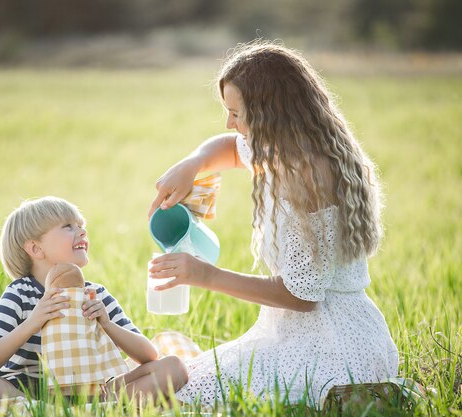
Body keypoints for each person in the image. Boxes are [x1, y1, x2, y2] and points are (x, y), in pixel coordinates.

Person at [148, 42, 398, 406]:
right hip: (298, 334)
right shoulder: (283, 149)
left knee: (186, 394)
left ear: (270, 114)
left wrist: (205, 275)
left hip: (331, 345)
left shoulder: (309, 177)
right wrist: (193, 162)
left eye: (236, 113)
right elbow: (232, 148)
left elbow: (301, 296)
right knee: (189, 379)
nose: (229, 123)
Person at [0, 196, 187, 401]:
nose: (82, 231)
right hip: (28, 389)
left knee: (173, 367)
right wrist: (32, 323)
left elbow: (148, 355)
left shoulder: (95, 295)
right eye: (68, 226)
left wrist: (106, 324)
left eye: (81, 226)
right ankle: (32, 409)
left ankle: (101, 408)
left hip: (93, 390)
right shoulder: (20, 293)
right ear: (36, 249)